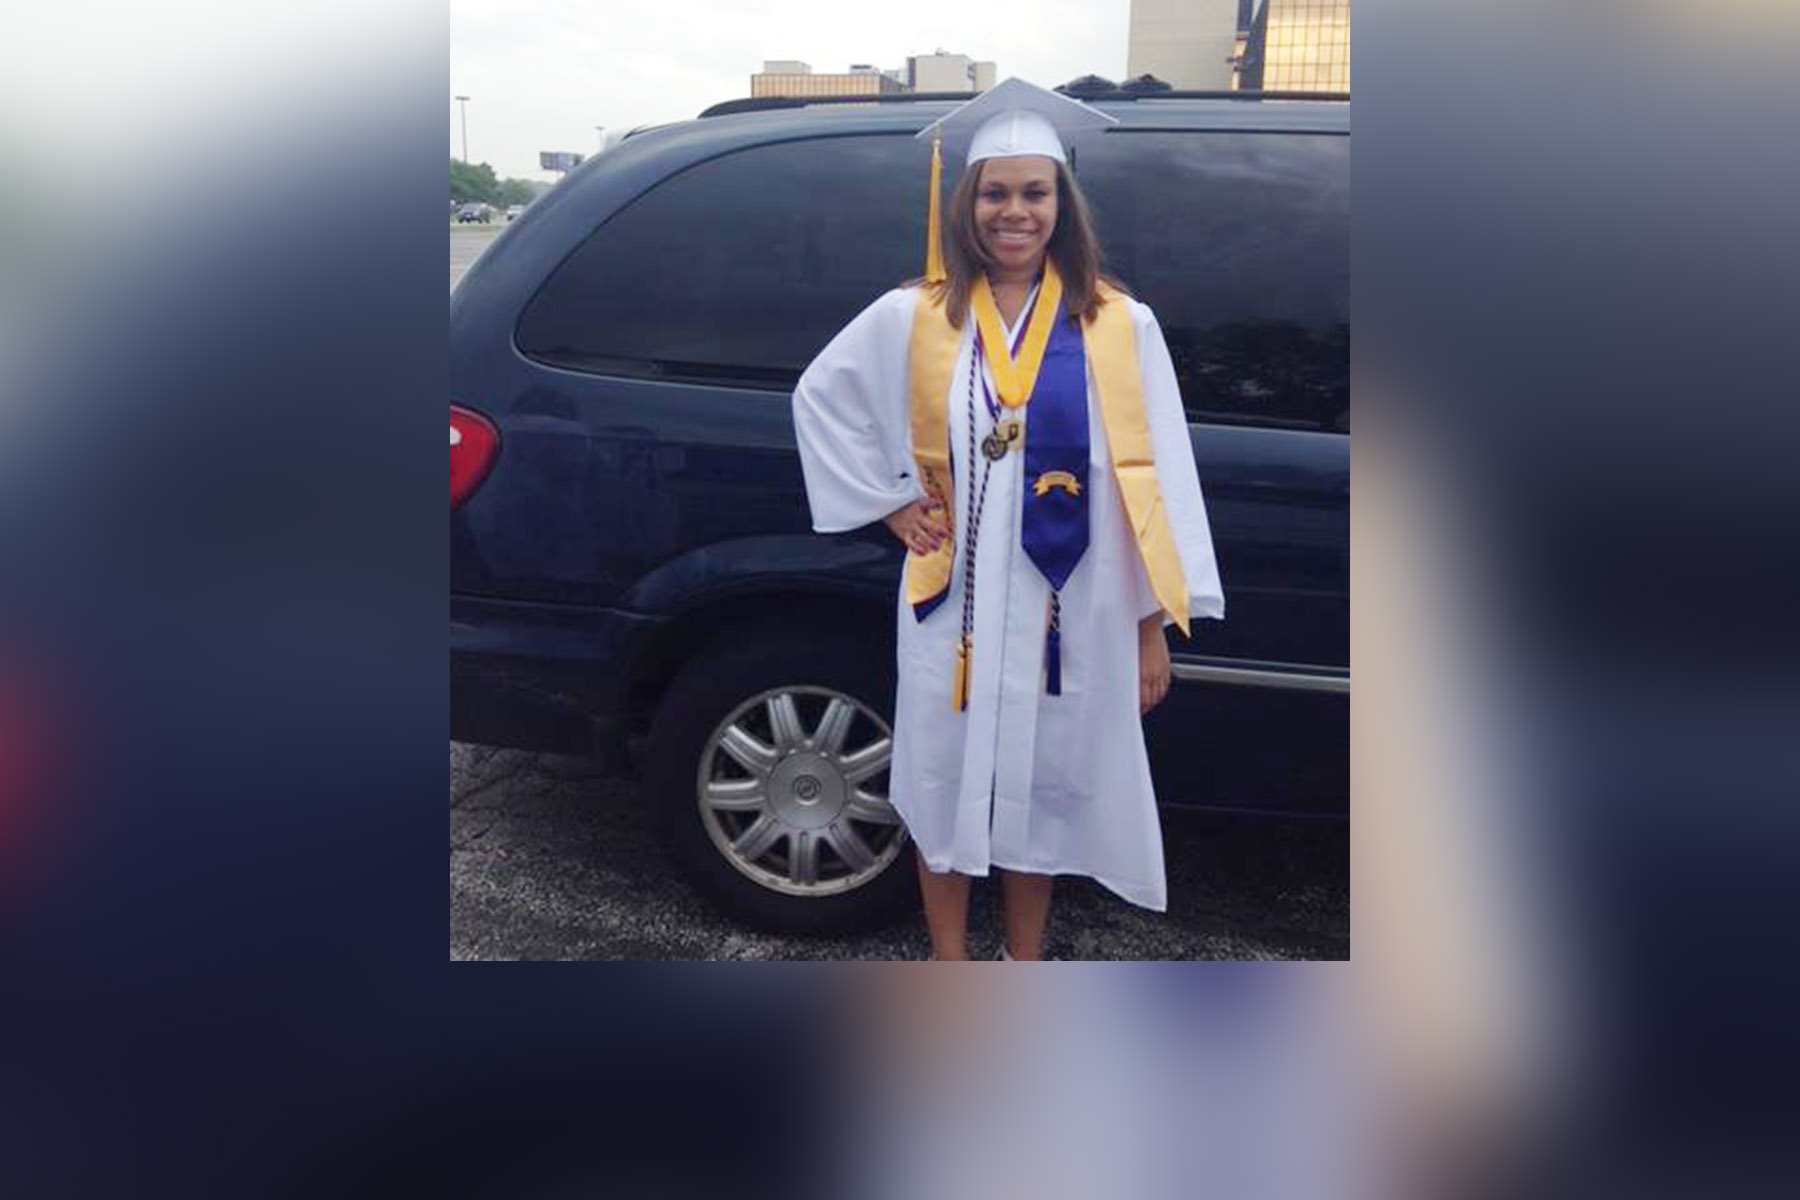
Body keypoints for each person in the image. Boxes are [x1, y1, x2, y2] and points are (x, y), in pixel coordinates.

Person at [791, 79, 1224, 960]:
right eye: (995, 192)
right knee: (941, 777)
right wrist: (891, 502)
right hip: (954, 606)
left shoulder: (1119, 324)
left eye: (1035, 192)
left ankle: (1023, 969)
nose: (1013, 212)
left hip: (1070, 609)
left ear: (1063, 204)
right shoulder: (915, 315)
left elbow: (1156, 481)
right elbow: (820, 398)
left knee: (1045, 785)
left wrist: (1150, 629)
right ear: (967, 202)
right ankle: (952, 967)